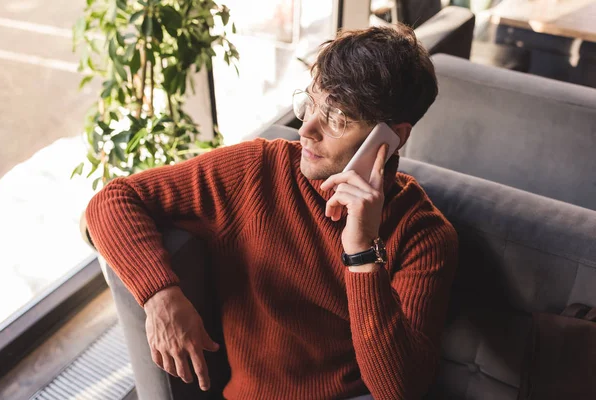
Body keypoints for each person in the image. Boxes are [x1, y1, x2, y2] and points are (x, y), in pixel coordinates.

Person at [86, 24, 458, 400]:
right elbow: (112, 201)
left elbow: (400, 391)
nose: (306, 129)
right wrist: (160, 296)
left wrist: (362, 251)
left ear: (394, 137)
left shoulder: (424, 235)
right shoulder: (257, 169)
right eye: (310, 103)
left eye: (337, 118)